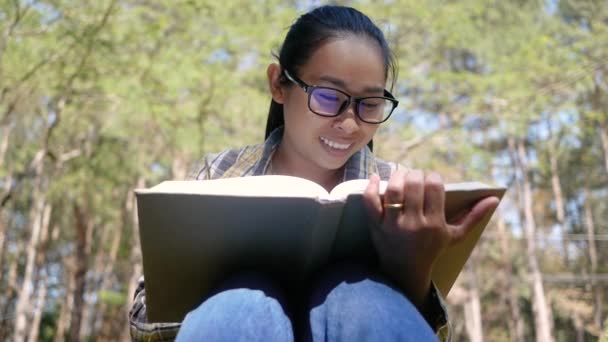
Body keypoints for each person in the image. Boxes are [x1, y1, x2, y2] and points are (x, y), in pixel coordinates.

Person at [129, 5, 499, 342]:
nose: (350, 124)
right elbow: (144, 324)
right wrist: (224, 299)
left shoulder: (402, 191)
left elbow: (433, 332)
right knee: (242, 301)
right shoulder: (220, 173)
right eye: (327, 97)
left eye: (369, 104)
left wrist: (414, 271)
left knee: (360, 297)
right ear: (278, 84)